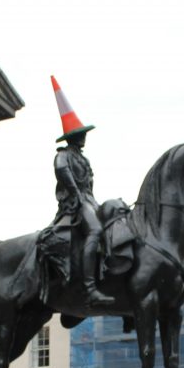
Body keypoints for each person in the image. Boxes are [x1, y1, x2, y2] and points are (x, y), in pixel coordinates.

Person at [50, 76, 114, 306]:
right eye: (81, 133)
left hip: (89, 200)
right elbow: (63, 172)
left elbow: (90, 183)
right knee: (95, 230)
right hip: (74, 203)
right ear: (73, 136)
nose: (84, 136)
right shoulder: (63, 155)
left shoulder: (83, 159)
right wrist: (77, 195)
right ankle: (89, 288)